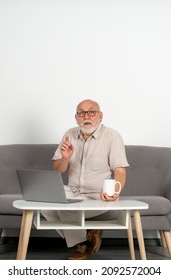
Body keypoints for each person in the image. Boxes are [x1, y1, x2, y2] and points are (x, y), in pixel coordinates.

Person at [41, 99, 129, 260]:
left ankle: (81, 247)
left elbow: (120, 170)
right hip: (73, 191)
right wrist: (65, 158)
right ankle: (88, 236)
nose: (86, 116)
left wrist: (115, 192)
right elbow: (58, 169)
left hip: (98, 195)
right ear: (76, 117)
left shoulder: (112, 136)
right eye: (81, 113)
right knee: (43, 203)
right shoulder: (69, 134)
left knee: (67, 208)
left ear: (100, 116)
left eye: (92, 112)